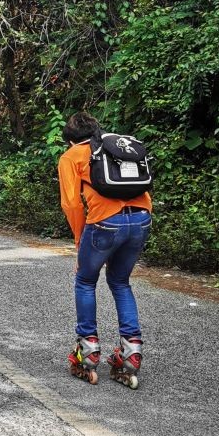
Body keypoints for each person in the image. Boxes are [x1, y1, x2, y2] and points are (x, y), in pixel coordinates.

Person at [58, 112, 152, 387]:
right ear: (96, 132)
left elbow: (71, 204)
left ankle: (88, 350)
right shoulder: (114, 147)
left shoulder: (71, 156)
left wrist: (80, 240)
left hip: (104, 223)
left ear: (69, 139)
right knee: (120, 282)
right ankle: (131, 352)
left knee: (86, 281)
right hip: (141, 218)